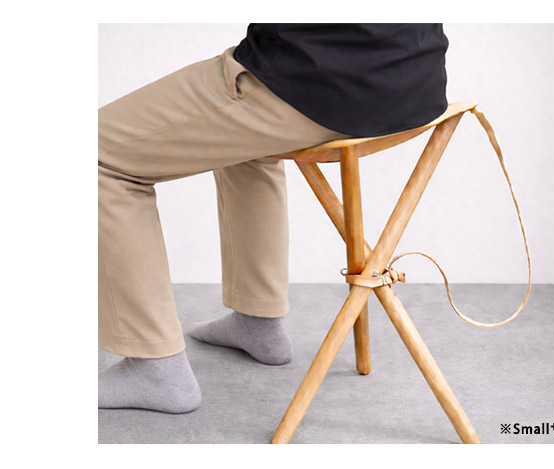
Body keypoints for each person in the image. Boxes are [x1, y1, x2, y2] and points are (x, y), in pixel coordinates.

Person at [98, 23, 450, 413]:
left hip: (322, 81)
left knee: (99, 154)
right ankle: (258, 321)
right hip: (414, 77)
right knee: (244, 139)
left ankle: (154, 368)